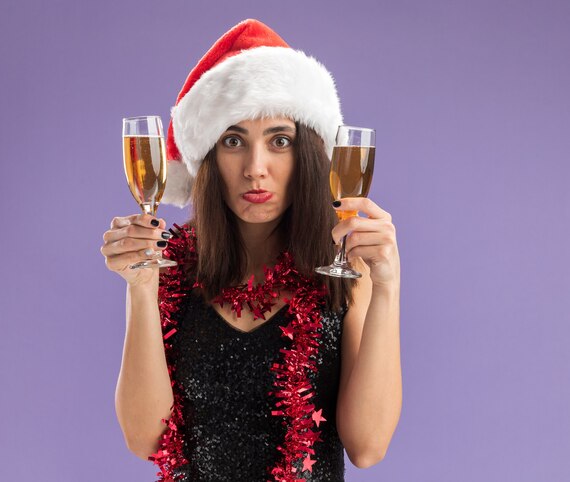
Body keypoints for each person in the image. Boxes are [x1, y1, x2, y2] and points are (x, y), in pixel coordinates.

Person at [100, 19, 402, 482]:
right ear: (209, 159)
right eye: (234, 141)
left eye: (279, 141)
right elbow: (146, 440)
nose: (255, 169)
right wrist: (141, 289)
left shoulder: (346, 270)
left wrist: (387, 287)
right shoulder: (170, 269)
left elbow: (367, 447)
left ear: (306, 155)